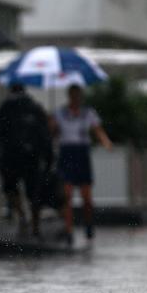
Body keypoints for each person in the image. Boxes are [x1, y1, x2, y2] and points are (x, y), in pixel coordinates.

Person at [50, 84, 113, 243]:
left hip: (81, 153)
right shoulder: (60, 113)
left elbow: (97, 129)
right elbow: (52, 132)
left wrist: (105, 142)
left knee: (86, 196)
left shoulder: (87, 113)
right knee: (67, 194)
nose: (76, 99)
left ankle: (88, 224)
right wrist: (52, 125)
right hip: (67, 153)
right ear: (69, 96)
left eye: (79, 96)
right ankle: (69, 229)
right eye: (74, 96)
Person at [0, 84, 52, 236]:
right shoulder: (35, 107)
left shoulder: (5, 108)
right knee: (34, 191)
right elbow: (44, 134)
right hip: (32, 156)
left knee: (11, 188)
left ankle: (23, 217)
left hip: (11, 156)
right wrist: (49, 157)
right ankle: (35, 225)